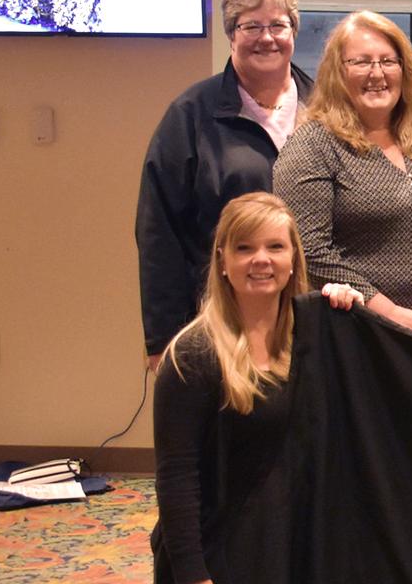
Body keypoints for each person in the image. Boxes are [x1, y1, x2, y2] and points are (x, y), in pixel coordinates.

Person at [151, 192, 363, 584]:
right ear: (222, 261)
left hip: (289, 543)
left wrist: (352, 313)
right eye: (244, 247)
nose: (261, 259)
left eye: (275, 246)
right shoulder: (192, 355)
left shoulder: (312, 338)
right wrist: (194, 576)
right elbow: (176, 478)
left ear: (294, 258)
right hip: (220, 552)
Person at [138, 0, 312, 371]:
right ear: (231, 33)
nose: (266, 38)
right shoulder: (190, 115)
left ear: (294, 32)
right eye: (252, 26)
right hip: (220, 323)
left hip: (310, 320)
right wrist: (163, 338)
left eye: (278, 25)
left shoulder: (326, 110)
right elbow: (158, 231)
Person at [273, 10, 412, 338]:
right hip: (350, 332)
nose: (377, 73)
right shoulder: (312, 144)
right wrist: (387, 311)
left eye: (388, 61)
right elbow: (309, 248)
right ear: (338, 71)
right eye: (361, 62)